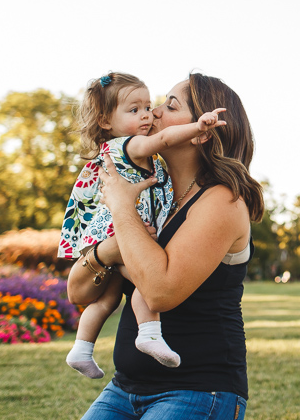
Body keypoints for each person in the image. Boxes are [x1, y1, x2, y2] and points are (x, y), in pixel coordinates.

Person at [68, 73, 263, 420]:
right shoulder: (159, 199)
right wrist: (109, 251)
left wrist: (122, 208)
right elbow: (78, 291)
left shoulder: (222, 202)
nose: (154, 113)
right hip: (124, 388)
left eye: (169, 105)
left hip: (198, 390)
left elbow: (159, 292)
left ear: (201, 132)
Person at [60, 72, 226, 378]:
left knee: (108, 297)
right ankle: (149, 333)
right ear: (106, 121)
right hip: (114, 229)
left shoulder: (216, 201)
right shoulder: (131, 145)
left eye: (153, 106)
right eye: (135, 110)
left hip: (105, 232)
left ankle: (81, 349)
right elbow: (162, 139)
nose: (150, 115)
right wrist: (197, 126)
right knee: (141, 281)